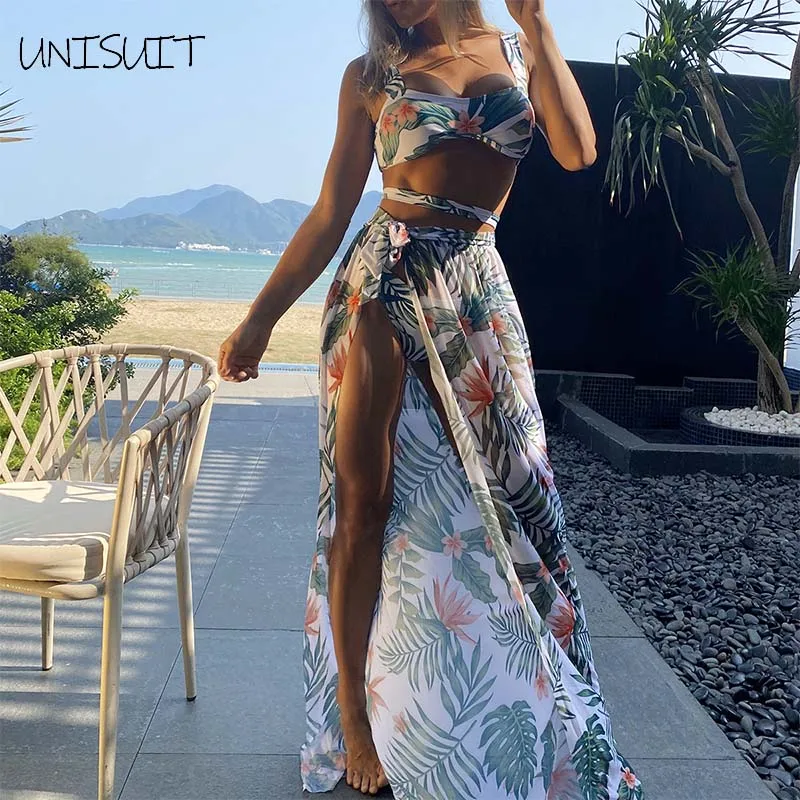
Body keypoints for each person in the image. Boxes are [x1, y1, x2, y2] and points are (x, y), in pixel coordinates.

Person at [219, 0, 644, 797]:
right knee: (363, 502)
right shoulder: (371, 76)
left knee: (520, 493)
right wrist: (258, 321)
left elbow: (578, 150)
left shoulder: (516, 53)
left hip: (475, 289)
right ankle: (353, 717)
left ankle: (525, 686)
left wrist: (540, 24)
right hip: (384, 282)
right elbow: (330, 212)